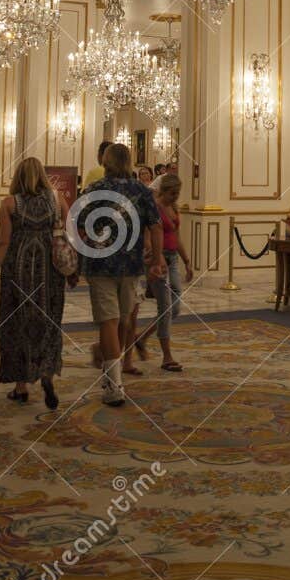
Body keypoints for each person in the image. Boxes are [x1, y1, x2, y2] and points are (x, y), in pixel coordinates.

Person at [75, 142, 163, 406]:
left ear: (106, 162)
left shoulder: (94, 189)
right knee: (123, 321)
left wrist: (82, 256)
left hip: (100, 265)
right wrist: (157, 260)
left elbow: (78, 228)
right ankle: (113, 378)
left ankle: (114, 386)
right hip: (131, 265)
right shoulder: (141, 191)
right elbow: (156, 226)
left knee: (109, 322)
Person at [0, 157, 66, 409]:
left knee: (16, 324)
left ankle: (20, 387)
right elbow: (67, 233)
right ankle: (47, 375)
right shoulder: (57, 200)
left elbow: (3, 243)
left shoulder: (10, 203)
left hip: (19, 271)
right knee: (49, 321)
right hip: (50, 271)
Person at [150, 173, 194, 371]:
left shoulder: (174, 208)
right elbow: (148, 236)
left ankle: (141, 337)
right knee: (165, 307)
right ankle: (167, 356)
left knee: (174, 306)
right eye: (172, 193)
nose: (175, 197)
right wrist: (156, 258)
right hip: (159, 260)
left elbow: (177, 238)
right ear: (163, 191)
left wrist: (187, 261)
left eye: (177, 193)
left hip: (173, 259)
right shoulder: (154, 208)